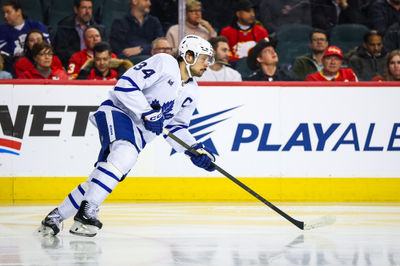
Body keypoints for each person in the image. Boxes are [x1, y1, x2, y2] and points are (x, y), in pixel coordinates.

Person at [37, 35, 217, 237]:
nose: (207, 64)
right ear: (189, 55)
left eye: (209, 60)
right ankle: (87, 212)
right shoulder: (165, 62)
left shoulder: (192, 92)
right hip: (119, 112)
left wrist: (194, 150)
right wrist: (147, 112)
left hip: (139, 134)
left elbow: (175, 128)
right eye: (204, 58)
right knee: (125, 155)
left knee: (100, 180)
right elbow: (125, 85)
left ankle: (55, 217)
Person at [53, 0, 106, 67]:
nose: (87, 12)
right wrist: (80, 59)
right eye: (84, 8)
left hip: (95, 67)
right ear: (76, 9)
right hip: (70, 66)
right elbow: (60, 52)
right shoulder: (65, 27)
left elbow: (105, 50)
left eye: (90, 8)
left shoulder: (99, 29)